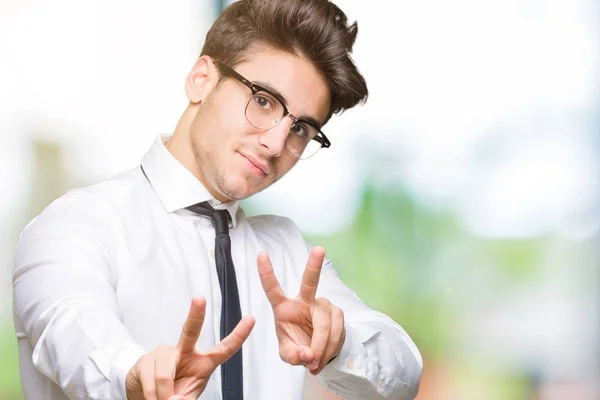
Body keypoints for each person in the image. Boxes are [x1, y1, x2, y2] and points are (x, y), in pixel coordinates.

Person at [12, 0, 423, 399]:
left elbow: (402, 374)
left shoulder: (286, 253)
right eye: (263, 101)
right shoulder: (78, 224)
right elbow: (69, 330)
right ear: (201, 79)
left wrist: (338, 345)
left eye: (301, 129)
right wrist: (135, 377)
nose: (276, 142)